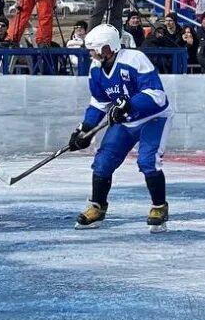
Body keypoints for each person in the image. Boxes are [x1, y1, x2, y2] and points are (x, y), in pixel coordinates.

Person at [67, 23, 172, 232]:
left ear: (108, 48)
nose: (92, 55)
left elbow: (157, 95)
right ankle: (97, 207)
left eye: (95, 50)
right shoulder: (95, 70)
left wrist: (130, 104)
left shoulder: (134, 60)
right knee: (103, 162)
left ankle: (159, 207)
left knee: (148, 161)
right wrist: (85, 129)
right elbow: (99, 102)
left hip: (153, 118)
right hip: (126, 122)